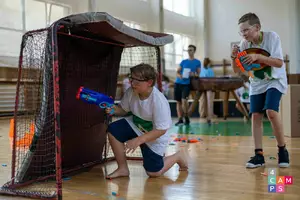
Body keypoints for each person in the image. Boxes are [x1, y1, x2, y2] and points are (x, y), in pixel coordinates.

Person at [105, 63, 188, 179]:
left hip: (155, 136)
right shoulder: (131, 91)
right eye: (131, 79)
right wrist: (113, 109)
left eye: (137, 81)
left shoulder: (159, 101)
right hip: (136, 126)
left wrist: (138, 140)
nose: (132, 84)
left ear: (149, 82)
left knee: (154, 173)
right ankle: (123, 168)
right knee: (113, 129)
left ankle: (178, 156)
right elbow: (123, 110)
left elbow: (160, 130)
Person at [231, 13, 289, 168]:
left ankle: (282, 150)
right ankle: (258, 155)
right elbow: (238, 70)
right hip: (257, 83)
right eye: (241, 32)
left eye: (246, 30)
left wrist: (258, 57)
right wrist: (233, 57)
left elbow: (278, 63)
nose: (243, 34)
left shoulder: (272, 38)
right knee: (255, 115)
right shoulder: (244, 44)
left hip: (274, 80)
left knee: (271, 111)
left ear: (257, 27)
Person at [174, 45, 201, 126]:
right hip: (178, 83)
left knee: (184, 101)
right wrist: (180, 76)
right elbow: (178, 72)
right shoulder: (183, 62)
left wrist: (193, 74)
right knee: (178, 102)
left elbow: (198, 74)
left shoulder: (197, 62)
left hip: (187, 84)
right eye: (188, 50)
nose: (189, 51)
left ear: (194, 51)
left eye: (191, 50)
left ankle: (186, 116)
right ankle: (180, 119)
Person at [199, 57, 216, 124]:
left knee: (202, 101)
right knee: (210, 101)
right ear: (209, 63)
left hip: (202, 87)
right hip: (209, 87)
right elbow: (213, 79)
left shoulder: (202, 70)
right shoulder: (210, 70)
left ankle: (202, 114)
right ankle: (210, 114)